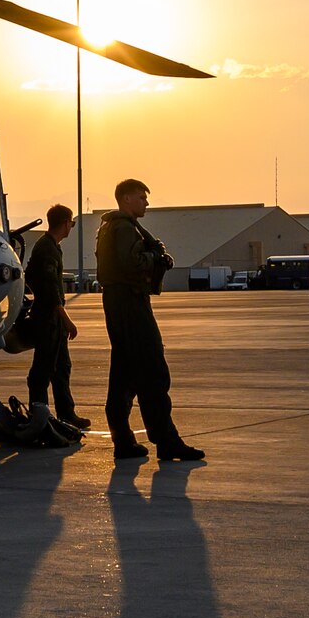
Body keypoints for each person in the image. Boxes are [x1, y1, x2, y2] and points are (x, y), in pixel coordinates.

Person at [97, 178, 204, 461]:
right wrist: (156, 257)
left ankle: (123, 441)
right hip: (130, 303)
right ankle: (166, 440)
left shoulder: (114, 226)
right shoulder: (122, 228)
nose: (146, 202)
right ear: (127, 199)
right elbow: (130, 262)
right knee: (152, 371)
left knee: (123, 373)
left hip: (120, 304)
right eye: (142, 197)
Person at [25, 204, 89, 430]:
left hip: (51, 317)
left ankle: (66, 414)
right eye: (71, 223)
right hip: (48, 319)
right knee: (43, 368)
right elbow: (51, 291)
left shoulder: (50, 246)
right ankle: (39, 412)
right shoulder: (47, 249)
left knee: (62, 367)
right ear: (65, 223)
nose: (71, 227)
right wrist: (67, 320)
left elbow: (32, 278)